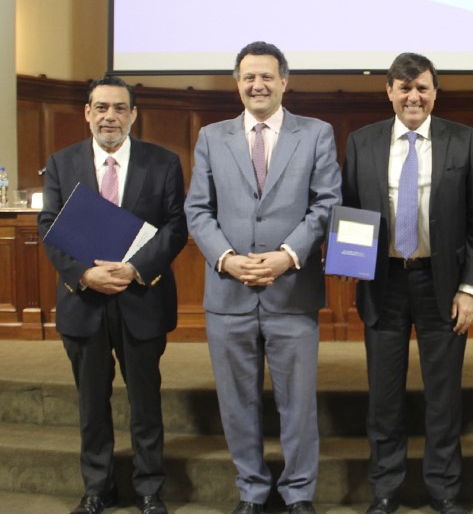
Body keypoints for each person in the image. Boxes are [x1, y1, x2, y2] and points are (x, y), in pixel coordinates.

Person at [184, 41, 341, 514]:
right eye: (249, 77)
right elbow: (197, 209)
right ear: (237, 83)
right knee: (237, 403)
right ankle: (252, 490)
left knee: (298, 405)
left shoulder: (316, 134)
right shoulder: (212, 136)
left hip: (291, 291)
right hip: (228, 293)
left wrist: (287, 255)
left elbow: (326, 203)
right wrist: (227, 259)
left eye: (267, 77)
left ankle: (298, 494)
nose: (258, 85)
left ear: (284, 82)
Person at [342, 52, 473, 514]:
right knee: (383, 398)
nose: (413, 96)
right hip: (383, 283)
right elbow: (349, 208)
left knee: (443, 398)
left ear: (434, 93)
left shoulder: (462, 141)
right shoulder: (361, 143)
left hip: (440, 285)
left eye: (422, 87)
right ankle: (385, 490)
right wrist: (350, 260)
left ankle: (444, 491)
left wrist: (469, 290)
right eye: (404, 87)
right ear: (388, 91)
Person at [38, 76, 188, 514]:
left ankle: (149, 488)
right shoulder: (62, 163)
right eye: (101, 107)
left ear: (133, 115)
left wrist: (135, 269)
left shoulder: (162, 162)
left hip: (141, 298)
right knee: (91, 404)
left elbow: (175, 226)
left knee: (145, 401)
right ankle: (97, 488)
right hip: (83, 301)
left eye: (120, 108)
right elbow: (48, 226)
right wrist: (85, 274)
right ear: (87, 112)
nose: (110, 116)